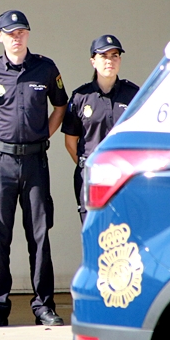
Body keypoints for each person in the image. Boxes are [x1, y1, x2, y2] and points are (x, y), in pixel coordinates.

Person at [0, 10, 68, 327]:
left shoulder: (46, 68)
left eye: (21, 32)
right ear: (0, 36)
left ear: (28, 34)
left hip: (36, 161)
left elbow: (60, 104)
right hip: (2, 163)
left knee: (39, 235)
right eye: (10, 33)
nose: (16, 37)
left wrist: (45, 133)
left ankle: (43, 306)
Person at [62, 35, 139, 222]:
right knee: (94, 232)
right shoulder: (81, 97)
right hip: (92, 177)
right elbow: (70, 141)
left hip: (124, 176)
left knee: (124, 234)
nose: (110, 61)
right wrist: (88, 165)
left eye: (115, 56)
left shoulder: (134, 95)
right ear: (93, 61)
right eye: (104, 56)